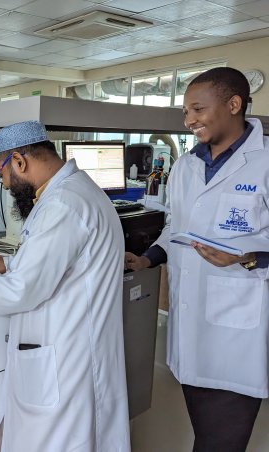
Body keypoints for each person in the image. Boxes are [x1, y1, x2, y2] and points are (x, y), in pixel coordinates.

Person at [0, 121, 130, 451]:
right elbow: (57, 258)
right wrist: (8, 261)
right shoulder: (70, 192)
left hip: (67, 361)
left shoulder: (63, 205)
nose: (6, 185)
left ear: (19, 162)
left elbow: (20, 291)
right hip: (70, 351)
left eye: (3, 175)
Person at [125, 67, 269, 451]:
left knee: (221, 441)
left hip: (237, 335)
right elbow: (176, 227)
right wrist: (148, 259)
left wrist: (249, 257)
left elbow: (254, 252)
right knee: (207, 435)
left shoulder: (266, 162)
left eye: (198, 109)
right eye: (185, 112)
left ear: (234, 104)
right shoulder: (187, 166)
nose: (189, 121)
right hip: (190, 332)